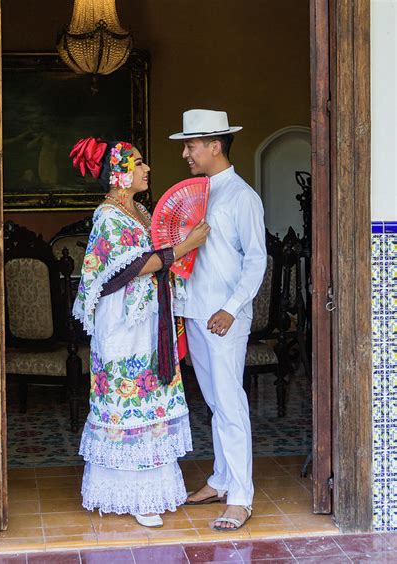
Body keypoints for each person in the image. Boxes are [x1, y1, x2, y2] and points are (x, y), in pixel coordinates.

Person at [71, 137, 210, 528]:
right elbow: (125, 270)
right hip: (122, 324)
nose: (146, 169)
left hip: (147, 321)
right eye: (138, 163)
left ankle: (152, 487)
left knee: (151, 397)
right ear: (119, 173)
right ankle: (130, 492)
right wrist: (184, 247)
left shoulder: (141, 212)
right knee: (126, 396)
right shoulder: (109, 217)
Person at [169, 109, 267, 531]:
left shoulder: (242, 196)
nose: (186, 153)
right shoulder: (200, 194)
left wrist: (232, 308)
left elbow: (258, 258)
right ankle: (222, 479)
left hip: (225, 317)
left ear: (215, 146)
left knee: (229, 402)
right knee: (213, 402)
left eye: (191, 145)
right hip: (195, 313)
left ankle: (241, 496)